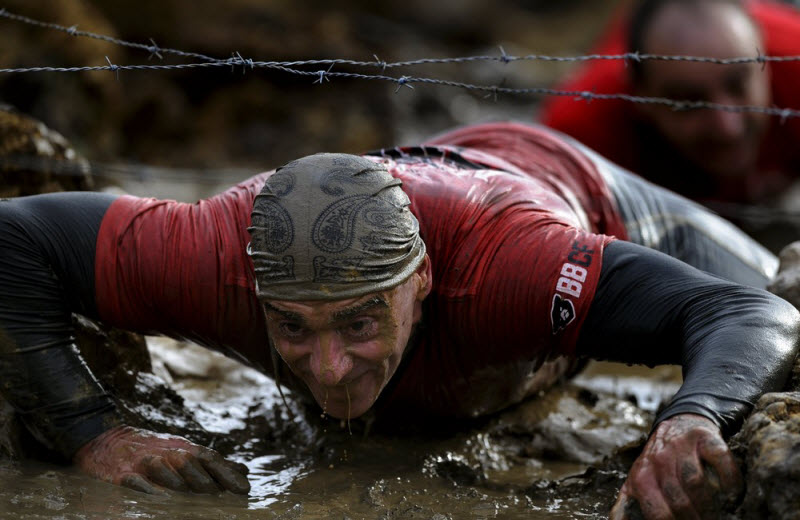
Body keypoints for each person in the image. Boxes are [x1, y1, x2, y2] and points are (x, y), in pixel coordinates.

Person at [0, 121, 797, 519]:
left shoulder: (508, 268)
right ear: (251, 289)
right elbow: (16, 240)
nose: (330, 368)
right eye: (292, 329)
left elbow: (745, 311)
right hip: (371, 193)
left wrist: (689, 418)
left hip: (578, 185)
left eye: (358, 324)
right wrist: (92, 432)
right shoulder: (206, 253)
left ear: (421, 283)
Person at [539, 0, 800, 206]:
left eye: (738, 85)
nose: (728, 128)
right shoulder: (581, 136)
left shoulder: (794, 60)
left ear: (765, 55)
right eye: (688, 102)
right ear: (639, 95)